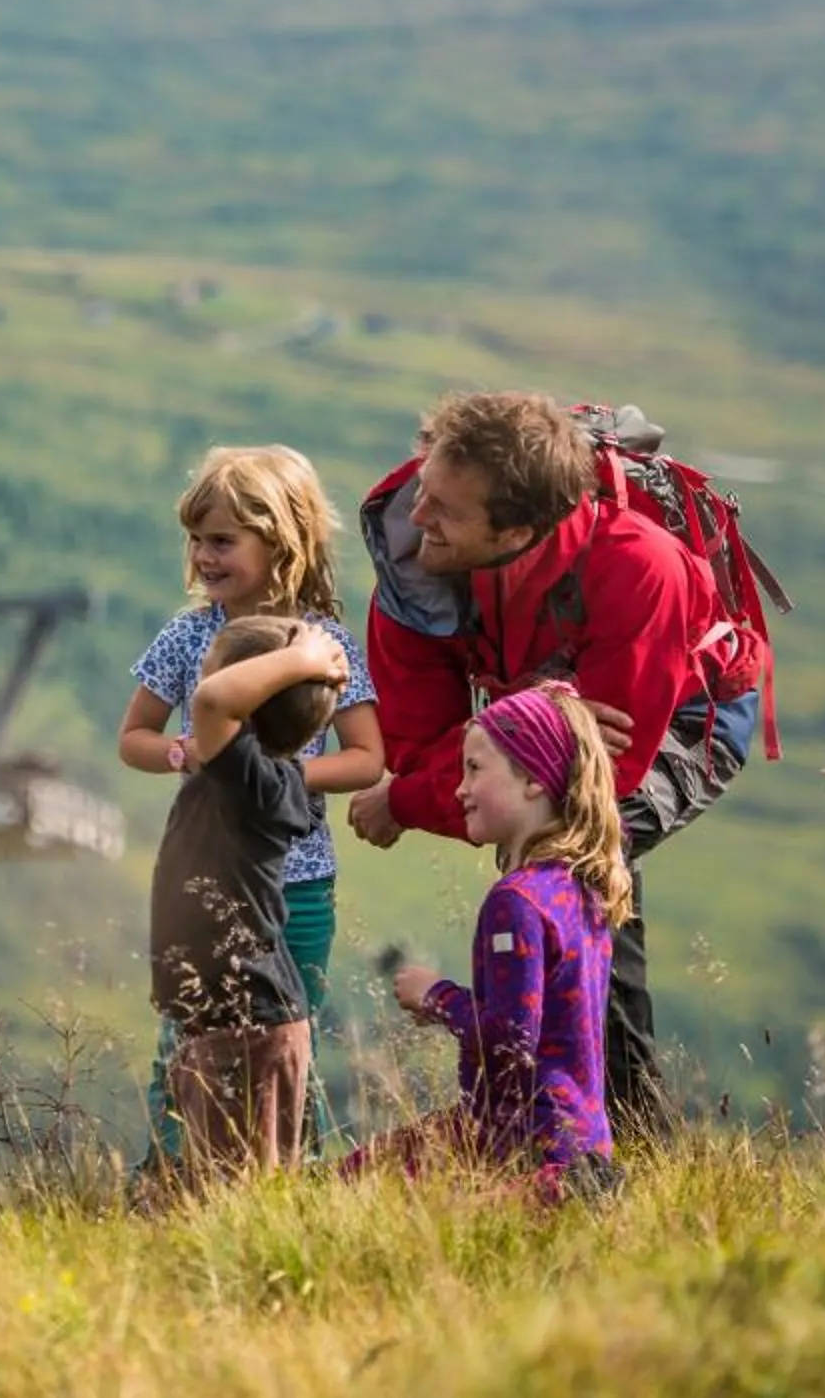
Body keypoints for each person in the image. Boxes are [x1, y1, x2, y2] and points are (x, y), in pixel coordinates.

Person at [345, 390, 762, 1138]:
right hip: (550, 718)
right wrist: (532, 731)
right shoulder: (419, 566)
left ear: (520, 529)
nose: (418, 520)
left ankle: (608, 1131)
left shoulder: (638, 569)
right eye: (423, 491)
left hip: (691, 716)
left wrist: (414, 795)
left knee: (571, 859)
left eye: (446, 511)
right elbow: (423, 748)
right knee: (536, 831)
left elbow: (601, 781)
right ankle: (562, 1116)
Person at [117, 445, 384, 1160]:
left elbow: (366, 758)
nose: (204, 556)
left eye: (223, 540)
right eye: (197, 539)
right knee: (188, 1043)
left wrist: (275, 777)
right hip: (208, 888)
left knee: (285, 1039)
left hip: (298, 886)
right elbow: (135, 736)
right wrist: (183, 755)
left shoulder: (325, 647)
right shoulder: (188, 635)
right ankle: (169, 1170)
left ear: (282, 541)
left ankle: (288, 1177)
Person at [349, 686, 629, 1202]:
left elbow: (509, 1040)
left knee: (349, 1188)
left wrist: (436, 996)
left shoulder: (517, 901)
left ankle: (550, 1194)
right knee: (369, 1169)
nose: (459, 789)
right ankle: (581, 1187)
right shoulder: (578, 890)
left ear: (531, 779)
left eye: (475, 769)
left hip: (522, 1139)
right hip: (582, 1137)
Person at [149, 613, 341, 1179]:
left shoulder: (254, 779)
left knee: (234, 1190)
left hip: (246, 1022)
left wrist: (304, 660)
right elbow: (215, 703)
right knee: (228, 1184)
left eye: (211, 673)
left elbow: (212, 702)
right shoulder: (253, 779)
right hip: (230, 1021)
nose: (196, 702)